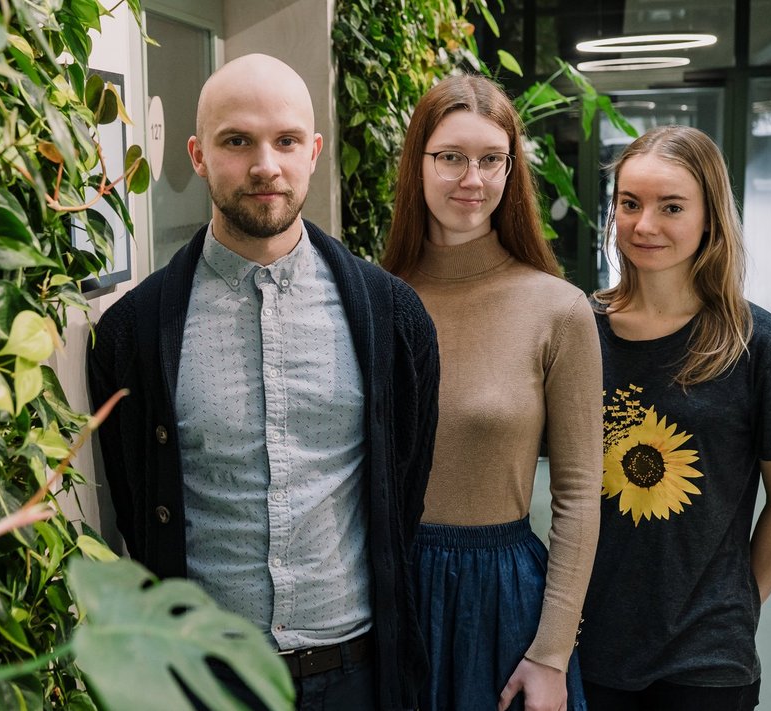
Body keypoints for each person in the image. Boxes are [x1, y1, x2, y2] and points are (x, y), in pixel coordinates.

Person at [87, 53, 440, 711]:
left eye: (284, 141)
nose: (264, 165)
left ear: (314, 150)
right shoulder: (133, 332)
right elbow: (137, 509)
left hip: (357, 674)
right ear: (197, 155)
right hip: (204, 681)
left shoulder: (393, 316)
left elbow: (404, 483)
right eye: (236, 141)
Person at [382, 74, 602, 711]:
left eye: (490, 159)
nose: (470, 179)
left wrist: (552, 653)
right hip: (387, 591)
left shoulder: (557, 310)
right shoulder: (375, 299)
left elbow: (579, 494)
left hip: (501, 601)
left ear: (512, 170)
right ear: (417, 163)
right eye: (450, 157)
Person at [579, 125, 771, 710]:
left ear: (710, 218)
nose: (644, 225)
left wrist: (736, 604)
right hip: (589, 642)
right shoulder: (577, 329)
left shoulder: (758, 345)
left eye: (672, 207)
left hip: (707, 659)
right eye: (629, 204)